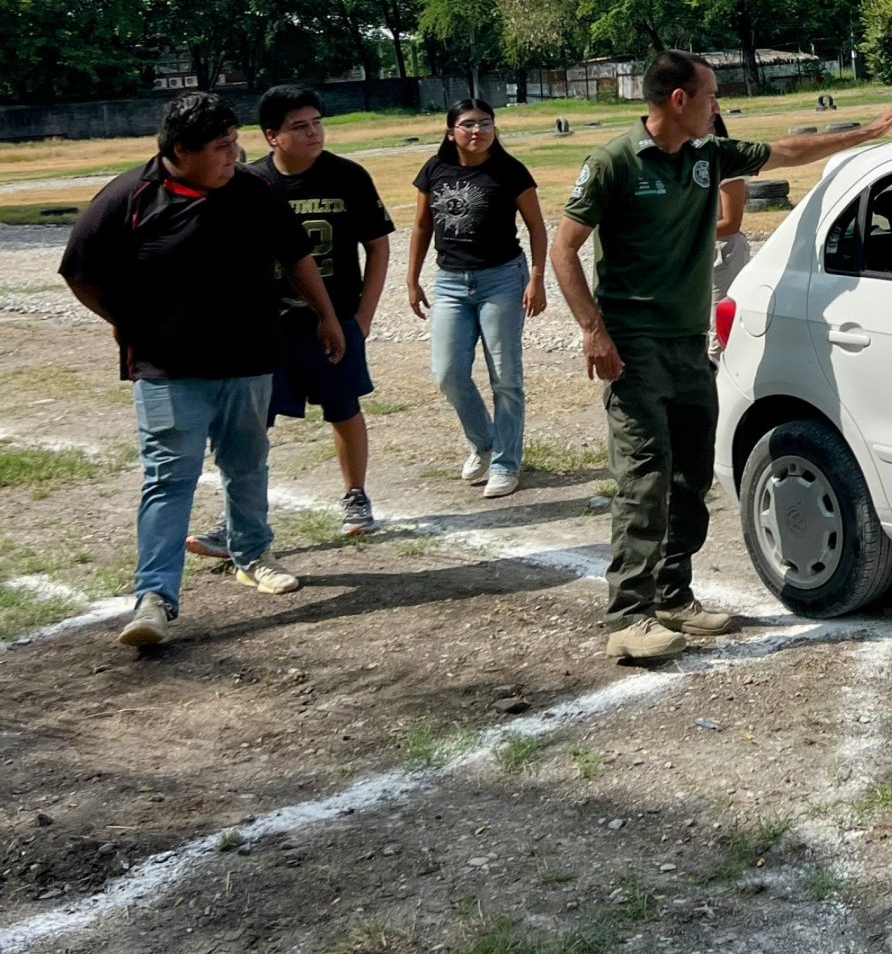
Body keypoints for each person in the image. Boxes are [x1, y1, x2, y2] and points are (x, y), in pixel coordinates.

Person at [550, 52, 892, 666]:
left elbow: (788, 152)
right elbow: (564, 249)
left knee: (691, 477)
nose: (718, 105)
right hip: (633, 348)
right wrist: (593, 332)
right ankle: (628, 616)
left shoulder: (707, 156)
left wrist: (869, 133)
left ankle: (672, 595)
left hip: (689, 344)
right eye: (711, 94)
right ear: (679, 100)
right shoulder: (613, 162)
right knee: (644, 478)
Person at [58, 92, 346, 648]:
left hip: (249, 360)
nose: (233, 155)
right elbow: (79, 273)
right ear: (180, 151)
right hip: (168, 370)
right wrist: (124, 321)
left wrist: (326, 315)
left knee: (247, 464)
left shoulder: (255, 189)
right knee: (170, 479)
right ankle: (155, 599)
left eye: (235, 142)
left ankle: (253, 555)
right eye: (220, 147)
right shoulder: (128, 197)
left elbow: (295, 255)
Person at [188, 87, 393, 547]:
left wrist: (363, 316)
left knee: (343, 408)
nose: (313, 132)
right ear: (271, 136)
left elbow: (378, 246)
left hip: (334, 320)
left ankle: (356, 495)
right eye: (299, 126)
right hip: (268, 326)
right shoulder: (252, 183)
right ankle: (236, 517)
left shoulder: (348, 176)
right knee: (251, 422)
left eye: (317, 122)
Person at [407, 101, 547, 498]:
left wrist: (537, 279)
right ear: (450, 132)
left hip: (501, 278)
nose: (478, 131)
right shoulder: (434, 169)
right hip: (451, 282)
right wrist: (412, 279)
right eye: (468, 124)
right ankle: (484, 442)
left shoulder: (510, 170)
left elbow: (537, 226)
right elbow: (421, 226)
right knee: (448, 373)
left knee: (505, 377)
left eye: (486, 123)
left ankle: (506, 463)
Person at [709, 111, 753, 362]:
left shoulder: (727, 164)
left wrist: (685, 228)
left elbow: (731, 223)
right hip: (699, 252)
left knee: (720, 332)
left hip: (723, 253)